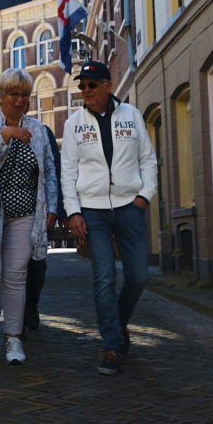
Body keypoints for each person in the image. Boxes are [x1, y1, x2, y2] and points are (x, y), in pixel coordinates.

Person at [60, 58, 159, 375]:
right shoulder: (74, 124)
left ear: (106, 86)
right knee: (104, 277)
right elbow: (68, 173)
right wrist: (73, 211)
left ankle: (116, 322)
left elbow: (149, 160)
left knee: (138, 277)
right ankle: (112, 346)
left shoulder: (131, 115)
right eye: (82, 86)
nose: (85, 91)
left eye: (91, 85)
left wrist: (145, 196)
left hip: (131, 206)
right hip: (93, 211)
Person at [0, 70, 59, 364]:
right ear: (1, 96)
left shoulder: (40, 130)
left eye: (24, 95)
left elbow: (48, 171)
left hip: (25, 213)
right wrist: (6, 134)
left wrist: (53, 207)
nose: (20, 100)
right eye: (14, 94)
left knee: (16, 277)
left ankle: (14, 338)